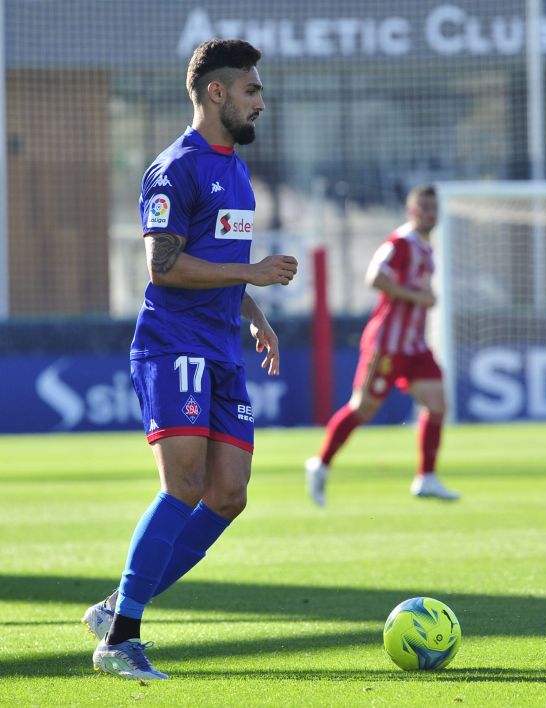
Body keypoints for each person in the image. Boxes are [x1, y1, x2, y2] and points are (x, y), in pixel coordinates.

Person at [81, 39, 298, 680]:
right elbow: (164, 266)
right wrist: (255, 275)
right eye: (252, 90)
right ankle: (121, 638)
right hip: (174, 344)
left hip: (222, 347)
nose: (261, 101)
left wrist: (252, 316)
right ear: (216, 92)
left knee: (228, 495)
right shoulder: (175, 167)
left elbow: (223, 268)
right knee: (183, 485)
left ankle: (120, 601)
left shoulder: (236, 170)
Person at [304, 185, 459, 505]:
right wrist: (418, 296)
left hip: (414, 345)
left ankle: (426, 477)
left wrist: (424, 297)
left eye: (434, 209)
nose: (430, 215)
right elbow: (375, 277)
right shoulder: (400, 242)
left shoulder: (427, 249)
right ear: (411, 211)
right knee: (363, 408)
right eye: (424, 209)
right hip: (386, 344)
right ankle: (320, 464)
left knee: (438, 403)